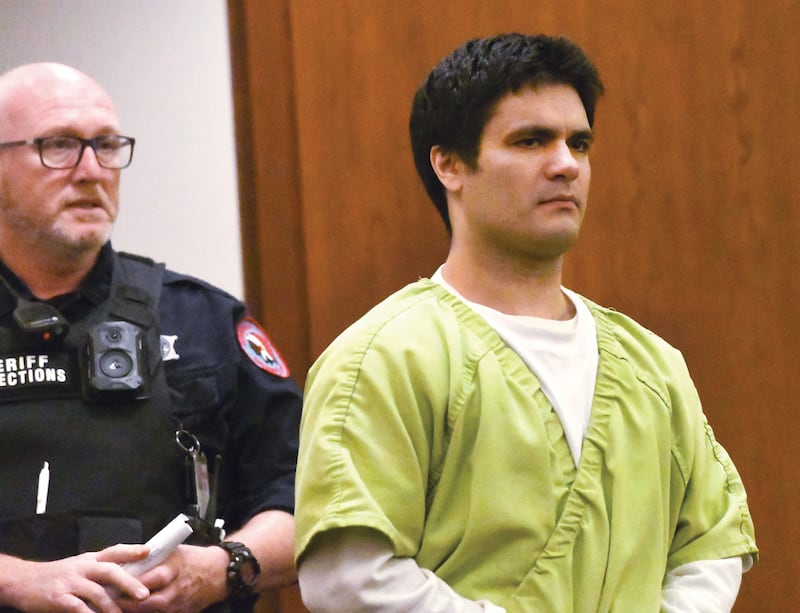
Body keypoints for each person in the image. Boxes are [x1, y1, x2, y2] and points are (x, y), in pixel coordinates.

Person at [293, 33, 758, 612]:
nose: (566, 165)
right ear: (450, 165)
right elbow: (348, 577)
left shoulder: (653, 364)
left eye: (580, 143)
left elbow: (710, 543)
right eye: (532, 140)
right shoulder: (384, 357)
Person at [0, 63, 302, 612]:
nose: (92, 170)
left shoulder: (203, 320)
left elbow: (304, 497)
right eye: (59, 145)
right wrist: (17, 581)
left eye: (107, 146)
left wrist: (221, 567)